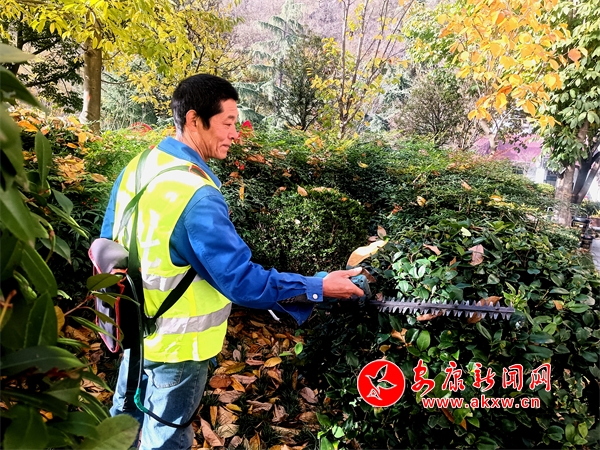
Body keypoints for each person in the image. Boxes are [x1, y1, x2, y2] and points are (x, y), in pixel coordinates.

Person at [100, 74, 364, 450]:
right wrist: (318, 287)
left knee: (119, 430)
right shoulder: (196, 194)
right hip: (178, 350)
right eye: (227, 123)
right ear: (194, 120)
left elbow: (108, 245)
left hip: (132, 334)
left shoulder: (139, 166)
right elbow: (241, 281)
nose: (234, 134)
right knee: (165, 440)